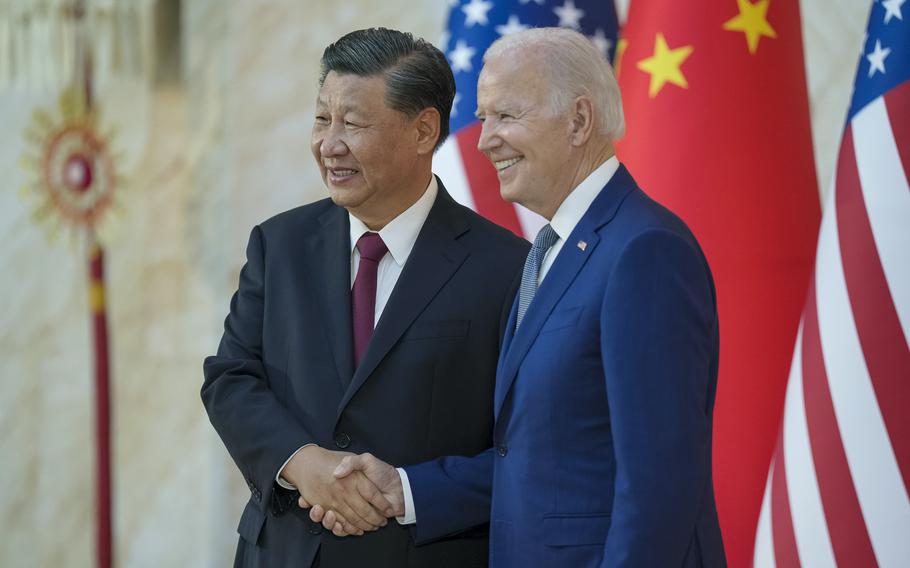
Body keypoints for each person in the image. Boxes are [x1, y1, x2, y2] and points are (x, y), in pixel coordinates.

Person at [316, 27, 727, 567]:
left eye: (506, 116)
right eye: (483, 118)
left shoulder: (643, 252)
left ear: (578, 121)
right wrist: (406, 489)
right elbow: (540, 456)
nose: (484, 139)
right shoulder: (549, 251)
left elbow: (661, 486)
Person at [201, 27, 529, 568]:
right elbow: (230, 377)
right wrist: (301, 463)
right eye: (321, 119)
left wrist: (406, 491)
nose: (329, 144)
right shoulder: (278, 245)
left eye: (352, 123)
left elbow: (527, 448)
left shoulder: (506, 269)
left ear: (424, 130)